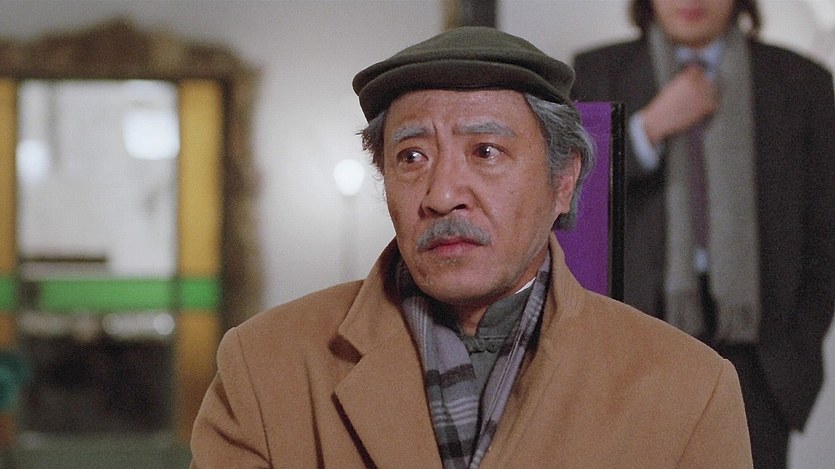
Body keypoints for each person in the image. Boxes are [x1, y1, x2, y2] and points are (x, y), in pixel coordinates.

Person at [190, 26, 753, 468]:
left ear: (564, 180)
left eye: (485, 152)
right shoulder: (265, 366)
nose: (442, 195)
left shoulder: (687, 389)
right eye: (412, 157)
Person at [571, 1, 835, 468]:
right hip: (634, 344)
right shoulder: (597, 72)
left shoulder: (802, 81)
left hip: (761, 355)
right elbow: (570, 198)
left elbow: (824, 228)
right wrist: (648, 128)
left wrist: (801, 336)